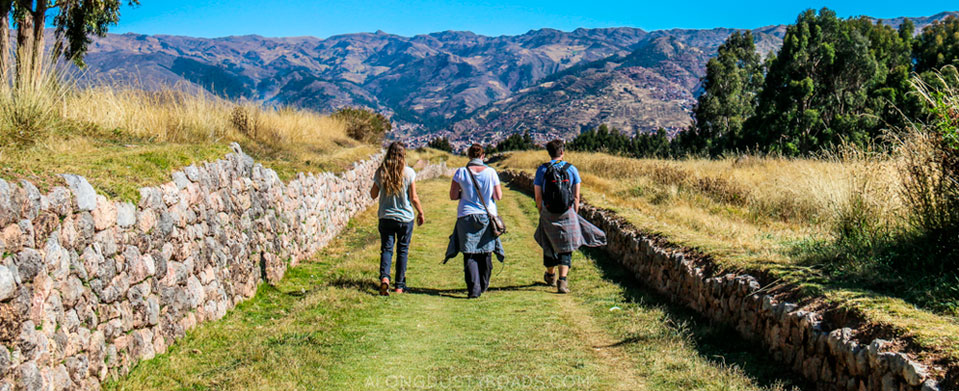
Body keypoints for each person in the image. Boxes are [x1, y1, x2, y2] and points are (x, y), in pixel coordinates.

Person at [534, 139, 606, 294]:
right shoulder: (571, 169)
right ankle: (563, 281)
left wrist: (541, 211)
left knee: (549, 244)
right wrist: (574, 212)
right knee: (566, 247)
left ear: (549, 152)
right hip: (567, 212)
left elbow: (538, 196)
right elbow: (576, 195)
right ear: (562, 152)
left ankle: (551, 275)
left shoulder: (542, 170)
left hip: (548, 212)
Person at [444, 144, 505, 299]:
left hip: (466, 215)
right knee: (486, 250)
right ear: (483, 156)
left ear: (469, 156)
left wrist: (464, 194)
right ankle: (484, 284)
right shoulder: (491, 172)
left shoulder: (461, 172)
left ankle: (473, 289)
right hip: (487, 215)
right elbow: (498, 196)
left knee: (469, 252)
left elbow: (452, 195)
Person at [371, 142, 425, 296]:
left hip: (386, 216)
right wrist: (420, 212)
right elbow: (413, 197)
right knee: (403, 250)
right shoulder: (409, 173)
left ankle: (385, 279)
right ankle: (399, 286)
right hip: (405, 218)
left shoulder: (381, 172)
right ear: (403, 155)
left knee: (386, 249)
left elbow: (373, 194)